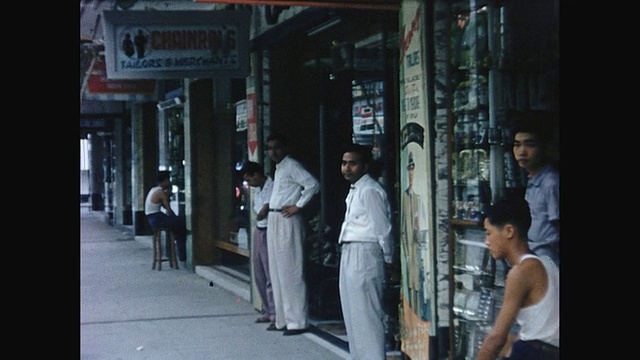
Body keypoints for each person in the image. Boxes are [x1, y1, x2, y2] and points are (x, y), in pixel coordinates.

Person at [477, 196, 559, 360]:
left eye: (489, 233)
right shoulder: (546, 263)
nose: (487, 241)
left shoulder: (521, 272)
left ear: (509, 231)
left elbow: (497, 338)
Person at [338, 143, 393, 360]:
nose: (347, 168)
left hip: (365, 251)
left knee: (367, 314)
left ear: (365, 166)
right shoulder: (357, 189)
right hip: (350, 250)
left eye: (353, 163)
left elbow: (382, 228)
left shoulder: (370, 190)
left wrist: (388, 259)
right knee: (353, 314)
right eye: (344, 163)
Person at [266, 133, 320, 336]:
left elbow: (313, 185)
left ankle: (297, 321)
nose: (273, 151)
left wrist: (298, 206)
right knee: (277, 271)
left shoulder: (292, 165)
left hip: (287, 218)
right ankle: (282, 319)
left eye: (277, 147)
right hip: (274, 218)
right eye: (270, 148)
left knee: (291, 270)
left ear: (285, 147)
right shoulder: (280, 169)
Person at [512, 115, 560, 266]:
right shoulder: (533, 179)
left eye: (529, 145)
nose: (522, 151)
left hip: (549, 260)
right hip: (534, 258)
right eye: (517, 145)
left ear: (545, 147)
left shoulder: (550, 182)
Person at [238, 161, 276, 328]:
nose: (249, 184)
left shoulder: (271, 186)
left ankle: (275, 313)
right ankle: (267, 310)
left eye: (250, 179)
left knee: (269, 273)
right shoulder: (257, 190)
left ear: (257, 175)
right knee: (259, 271)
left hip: (268, 230)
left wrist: (261, 212)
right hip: (259, 230)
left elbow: (262, 211)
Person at [144, 171, 187, 262]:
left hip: (152, 218)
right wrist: (176, 218)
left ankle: (180, 253)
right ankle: (182, 255)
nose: (169, 182)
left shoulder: (154, 190)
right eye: (168, 180)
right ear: (165, 181)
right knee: (182, 223)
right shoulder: (160, 192)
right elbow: (168, 209)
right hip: (157, 218)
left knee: (177, 226)